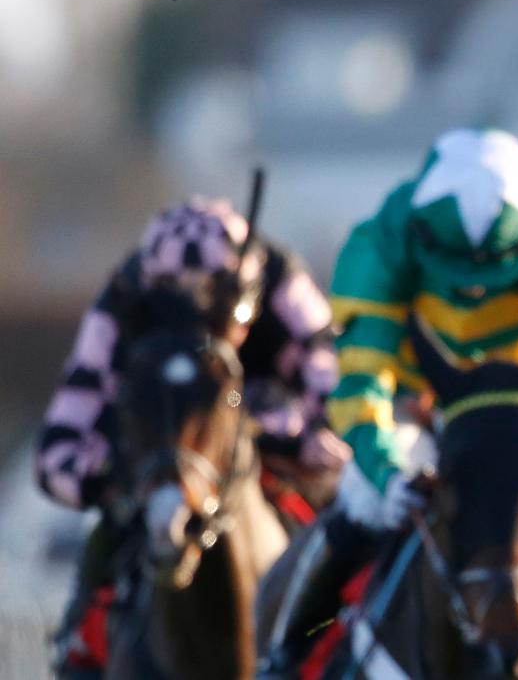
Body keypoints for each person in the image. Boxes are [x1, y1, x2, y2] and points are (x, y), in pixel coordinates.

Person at [259, 127, 518, 673]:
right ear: (421, 230)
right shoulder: (380, 243)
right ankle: (283, 657)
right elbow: (361, 380)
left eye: (494, 266)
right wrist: (385, 470)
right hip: (420, 410)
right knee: (361, 504)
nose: (473, 287)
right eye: (457, 266)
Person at [37, 197, 348, 676]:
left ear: (246, 289)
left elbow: (344, 398)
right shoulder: (123, 300)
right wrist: (114, 473)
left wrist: (294, 437)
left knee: (355, 519)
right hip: (156, 456)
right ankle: (80, 646)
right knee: (112, 527)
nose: (197, 320)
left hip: (267, 447)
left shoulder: (283, 282)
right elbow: (57, 450)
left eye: (216, 307)